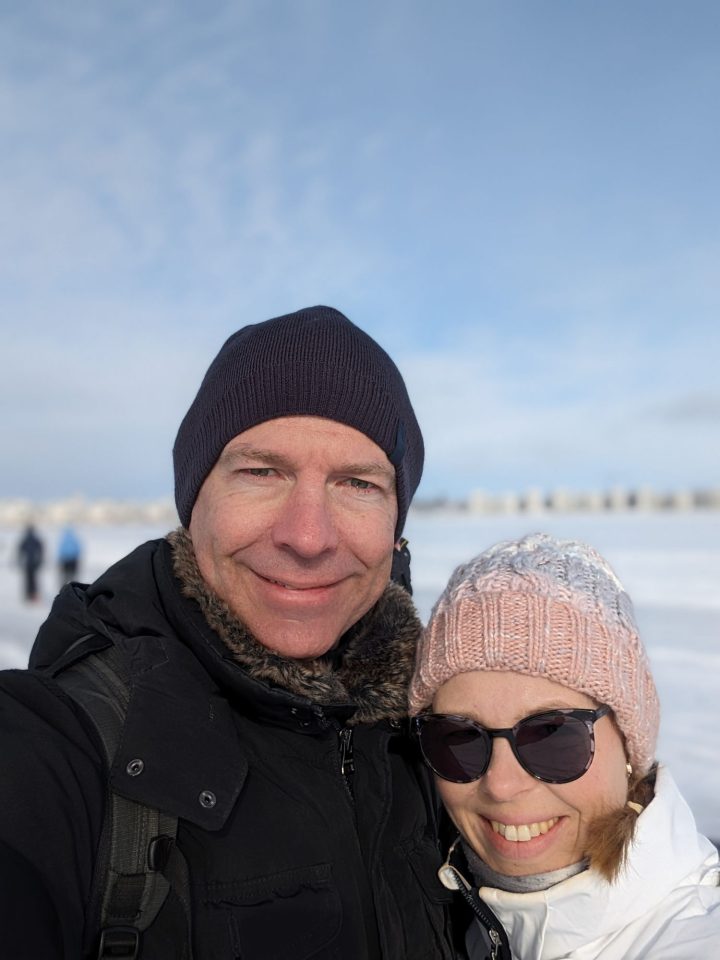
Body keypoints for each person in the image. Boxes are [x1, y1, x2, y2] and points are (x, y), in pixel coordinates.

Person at [0, 306, 453, 960]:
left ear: (396, 522)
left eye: (357, 483)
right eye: (262, 472)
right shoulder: (60, 744)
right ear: (195, 500)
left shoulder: (445, 733)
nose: (308, 536)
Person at [410, 532, 720, 960]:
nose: (501, 784)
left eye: (551, 735)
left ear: (630, 746)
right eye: (459, 738)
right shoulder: (461, 923)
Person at [16, 522, 44, 601]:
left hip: (27, 563)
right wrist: (40, 561)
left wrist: (20, 561)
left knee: (28, 580)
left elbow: (20, 551)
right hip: (34, 563)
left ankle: (28, 595)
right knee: (34, 580)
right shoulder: (36, 539)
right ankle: (34, 595)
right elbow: (40, 551)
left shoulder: (25, 540)